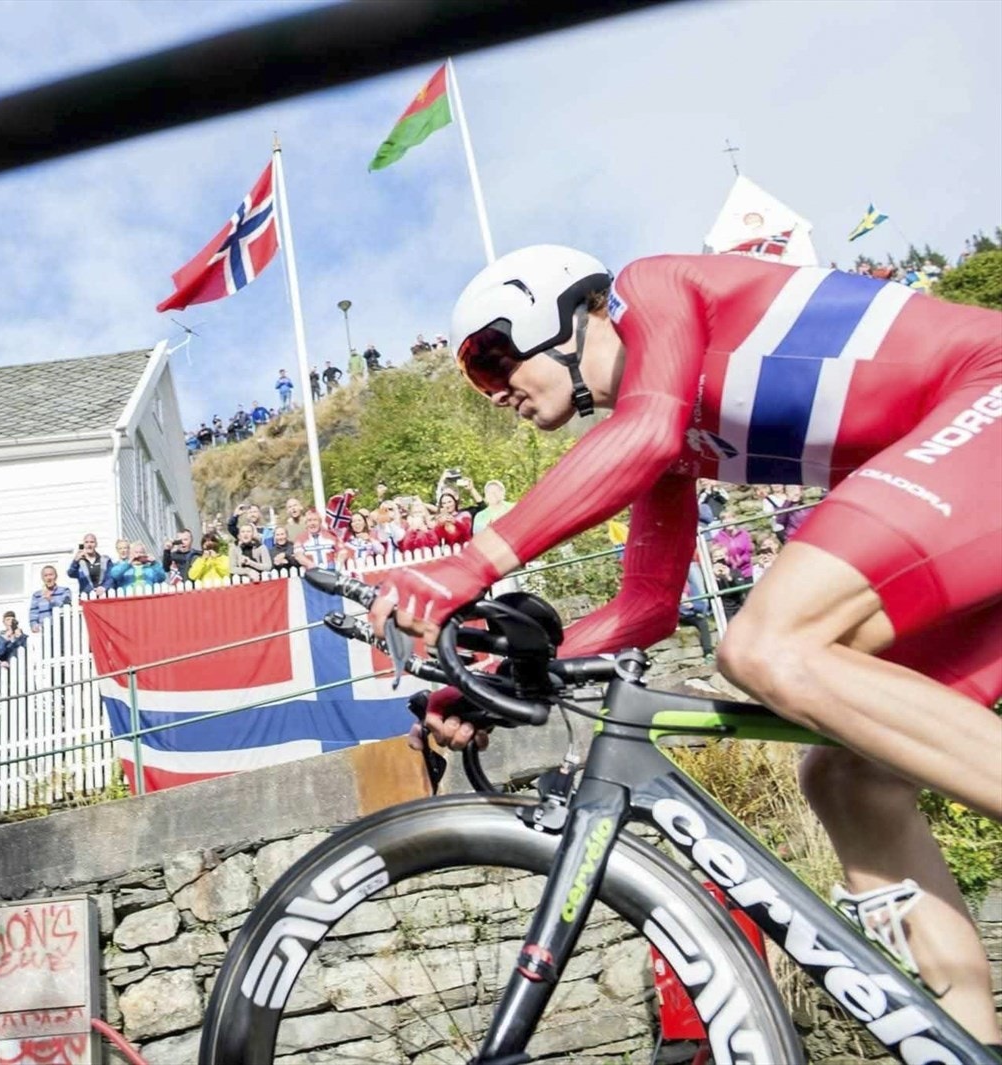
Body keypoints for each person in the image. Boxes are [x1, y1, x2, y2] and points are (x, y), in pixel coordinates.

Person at [368, 244, 1002, 1046]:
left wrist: (468, 564)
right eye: (477, 378)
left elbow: (644, 432)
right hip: (969, 479)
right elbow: (646, 608)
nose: (495, 391)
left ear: (564, 311)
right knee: (849, 777)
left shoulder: (654, 289)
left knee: (770, 644)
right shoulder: (670, 439)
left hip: (986, 393)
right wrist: (496, 677)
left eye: (492, 357)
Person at [28, 566, 72, 634]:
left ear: (56, 576)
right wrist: (34, 625)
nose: (48, 578)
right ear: (42, 578)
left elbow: (66, 607)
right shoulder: (37, 595)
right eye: (45, 575)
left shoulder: (65, 591)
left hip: (62, 628)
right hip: (45, 630)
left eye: (51, 575)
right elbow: (33, 612)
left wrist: (51, 599)